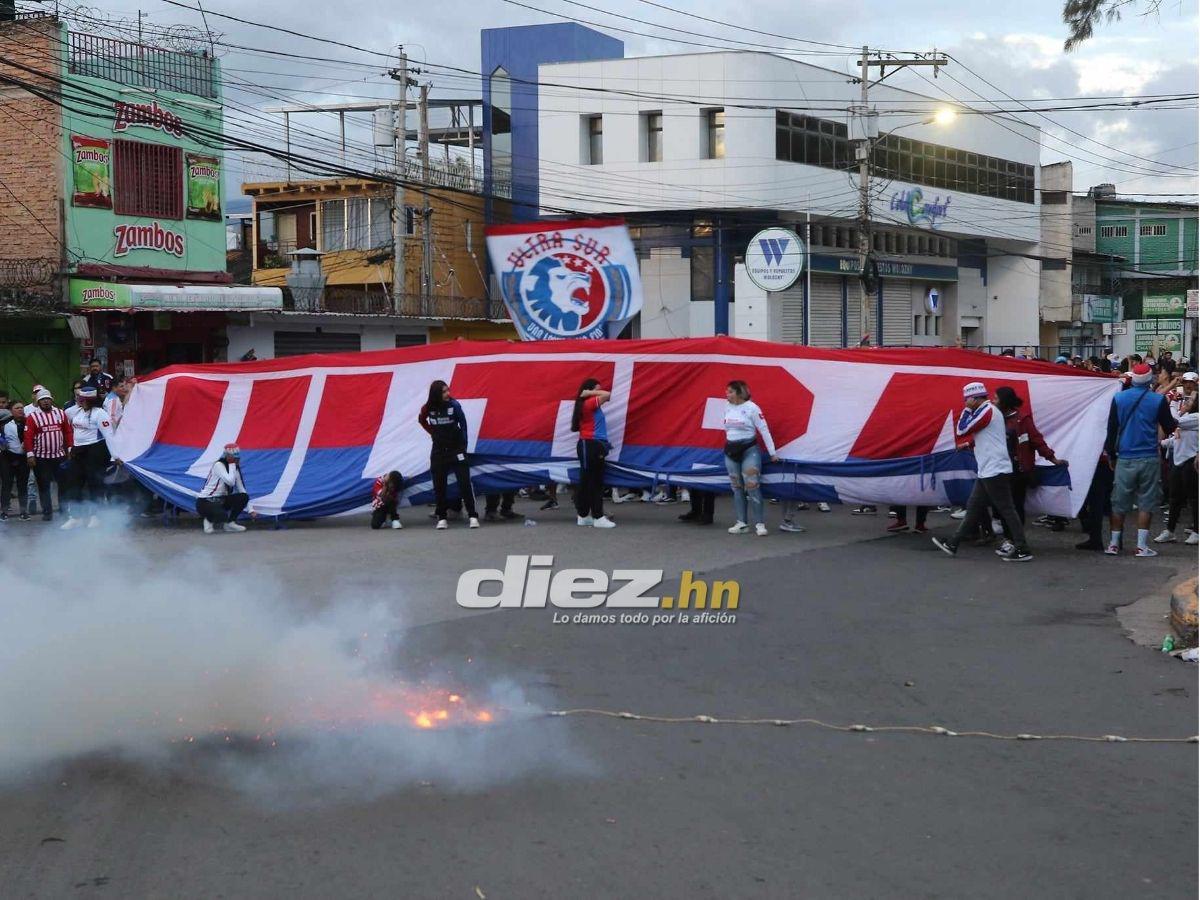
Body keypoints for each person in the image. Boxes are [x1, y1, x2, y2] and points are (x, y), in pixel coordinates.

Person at [931, 382, 1032, 561]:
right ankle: (954, 543)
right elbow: (986, 436)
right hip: (989, 469)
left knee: (1006, 509)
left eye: (968, 400)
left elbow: (962, 429)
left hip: (994, 469)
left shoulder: (987, 411)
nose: (966, 403)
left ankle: (1022, 548)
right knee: (974, 507)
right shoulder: (987, 411)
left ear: (975, 398)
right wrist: (970, 441)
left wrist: (967, 411)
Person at [1105, 363, 1177, 557]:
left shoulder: (1119, 398)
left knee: (1118, 503)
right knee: (1146, 502)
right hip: (1149, 457)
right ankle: (1141, 546)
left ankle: (1113, 544)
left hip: (1125, 457)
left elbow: (1111, 430)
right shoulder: (1157, 400)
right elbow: (1169, 426)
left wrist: (1111, 454)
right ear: (1149, 379)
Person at [994, 386, 1068, 554]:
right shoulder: (993, 419)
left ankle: (1013, 541)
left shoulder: (1022, 420)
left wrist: (1052, 458)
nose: (993, 401)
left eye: (996, 398)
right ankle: (1010, 539)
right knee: (1003, 506)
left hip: (1018, 471)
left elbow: (1036, 440)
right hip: (999, 469)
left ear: (1004, 402)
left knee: (1014, 506)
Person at [417, 379, 479, 530]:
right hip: (438, 451)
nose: (448, 394)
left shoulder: (455, 405)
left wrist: (463, 445)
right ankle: (442, 518)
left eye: (448, 390)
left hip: (456, 449)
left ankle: (472, 516)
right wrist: (433, 433)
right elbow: (421, 420)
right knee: (439, 485)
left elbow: (463, 424)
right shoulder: (427, 408)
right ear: (436, 393)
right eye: (444, 391)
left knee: (464, 483)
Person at [722, 379, 779, 537]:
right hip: (731, 451)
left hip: (749, 450)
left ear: (740, 393)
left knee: (752, 486)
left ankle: (760, 524)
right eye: (727, 391)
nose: (727, 394)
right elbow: (726, 428)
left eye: (730, 391)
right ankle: (742, 523)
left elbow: (764, 429)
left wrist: (772, 453)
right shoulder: (726, 407)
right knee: (736, 487)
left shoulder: (752, 408)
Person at [60, 386, 112, 530]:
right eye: (78, 398)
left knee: (95, 483)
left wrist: (114, 456)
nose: (79, 401)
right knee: (73, 482)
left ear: (90, 400)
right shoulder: (77, 412)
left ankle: (96, 516)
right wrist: (72, 449)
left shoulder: (100, 414)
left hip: (95, 450)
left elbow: (109, 435)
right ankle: (75, 517)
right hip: (78, 451)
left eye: (82, 399)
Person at [570, 378, 616, 528]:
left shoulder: (588, 405)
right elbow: (608, 395)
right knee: (594, 482)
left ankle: (583, 515)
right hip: (590, 445)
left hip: (592, 446)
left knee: (588, 481)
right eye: (596, 389)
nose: (598, 392)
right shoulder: (589, 403)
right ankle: (598, 516)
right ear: (589, 390)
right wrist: (590, 392)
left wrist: (590, 391)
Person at [1155, 391, 1198, 545]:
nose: (1187, 401)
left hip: (1191, 460)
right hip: (1178, 460)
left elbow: (1174, 422)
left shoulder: (1196, 417)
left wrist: (1173, 404)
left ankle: (1197, 531)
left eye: (1191, 399)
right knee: (1175, 498)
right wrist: (1162, 443)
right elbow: (1177, 437)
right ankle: (1170, 530)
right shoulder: (1187, 417)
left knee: (1194, 498)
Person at [23, 388, 71, 523]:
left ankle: (64, 510)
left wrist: (70, 449)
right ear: (38, 402)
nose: (45, 402)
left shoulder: (61, 414)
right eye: (42, 400)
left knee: (63, 485)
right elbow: (28, 437)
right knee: (44, 485)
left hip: (59, 456)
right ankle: (47, 512)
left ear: (51, 400)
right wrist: (30, 455)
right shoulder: (33, 417)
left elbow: (68, 432)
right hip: (41, 457)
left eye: (47, 399)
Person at [197, 444, 255, 534]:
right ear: (227, 456)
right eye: (234, 457)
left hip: (221, 500)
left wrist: (251, 509)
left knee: (243, 497)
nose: (237, 460)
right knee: (222, 516)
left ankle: (230, 523)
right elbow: (230, 482)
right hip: (205, 501)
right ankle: (208, 519)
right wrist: (232, 464)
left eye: (238, 457)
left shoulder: (234, 468)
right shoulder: (218, 465)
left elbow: (241, 488)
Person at [1, 401, 29, 520]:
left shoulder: (28, 421)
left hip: (23, 457)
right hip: (7, 457)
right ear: (11, 410)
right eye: (17, 408)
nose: (20, 410)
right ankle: (4, 511)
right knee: (7, 484)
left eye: (22, 408)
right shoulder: (5, 423)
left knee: (22, 484)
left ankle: (23, 511)